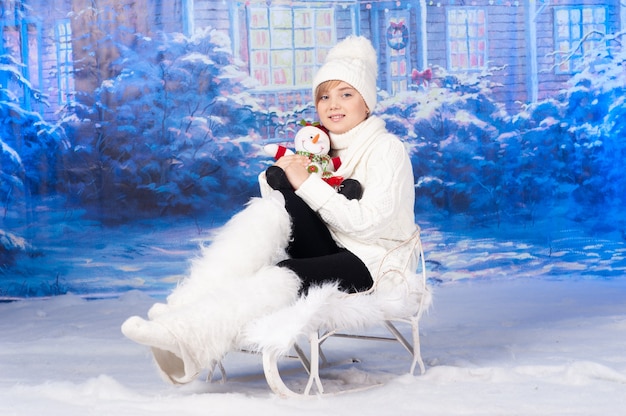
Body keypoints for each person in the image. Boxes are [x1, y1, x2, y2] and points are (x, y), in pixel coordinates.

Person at [121, 35, 419, 385]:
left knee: (284, 271)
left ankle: (191, 338)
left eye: (346, 94)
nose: (332, 105)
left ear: (367, 103)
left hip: (374, 262)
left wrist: (306, 183)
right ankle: (180, 310)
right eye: (324, 96)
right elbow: (295, 204)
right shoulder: (320, 147)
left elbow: (367, 225)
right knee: (266, 214)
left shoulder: (387, 149)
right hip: (332, 242)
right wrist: (286, 178)